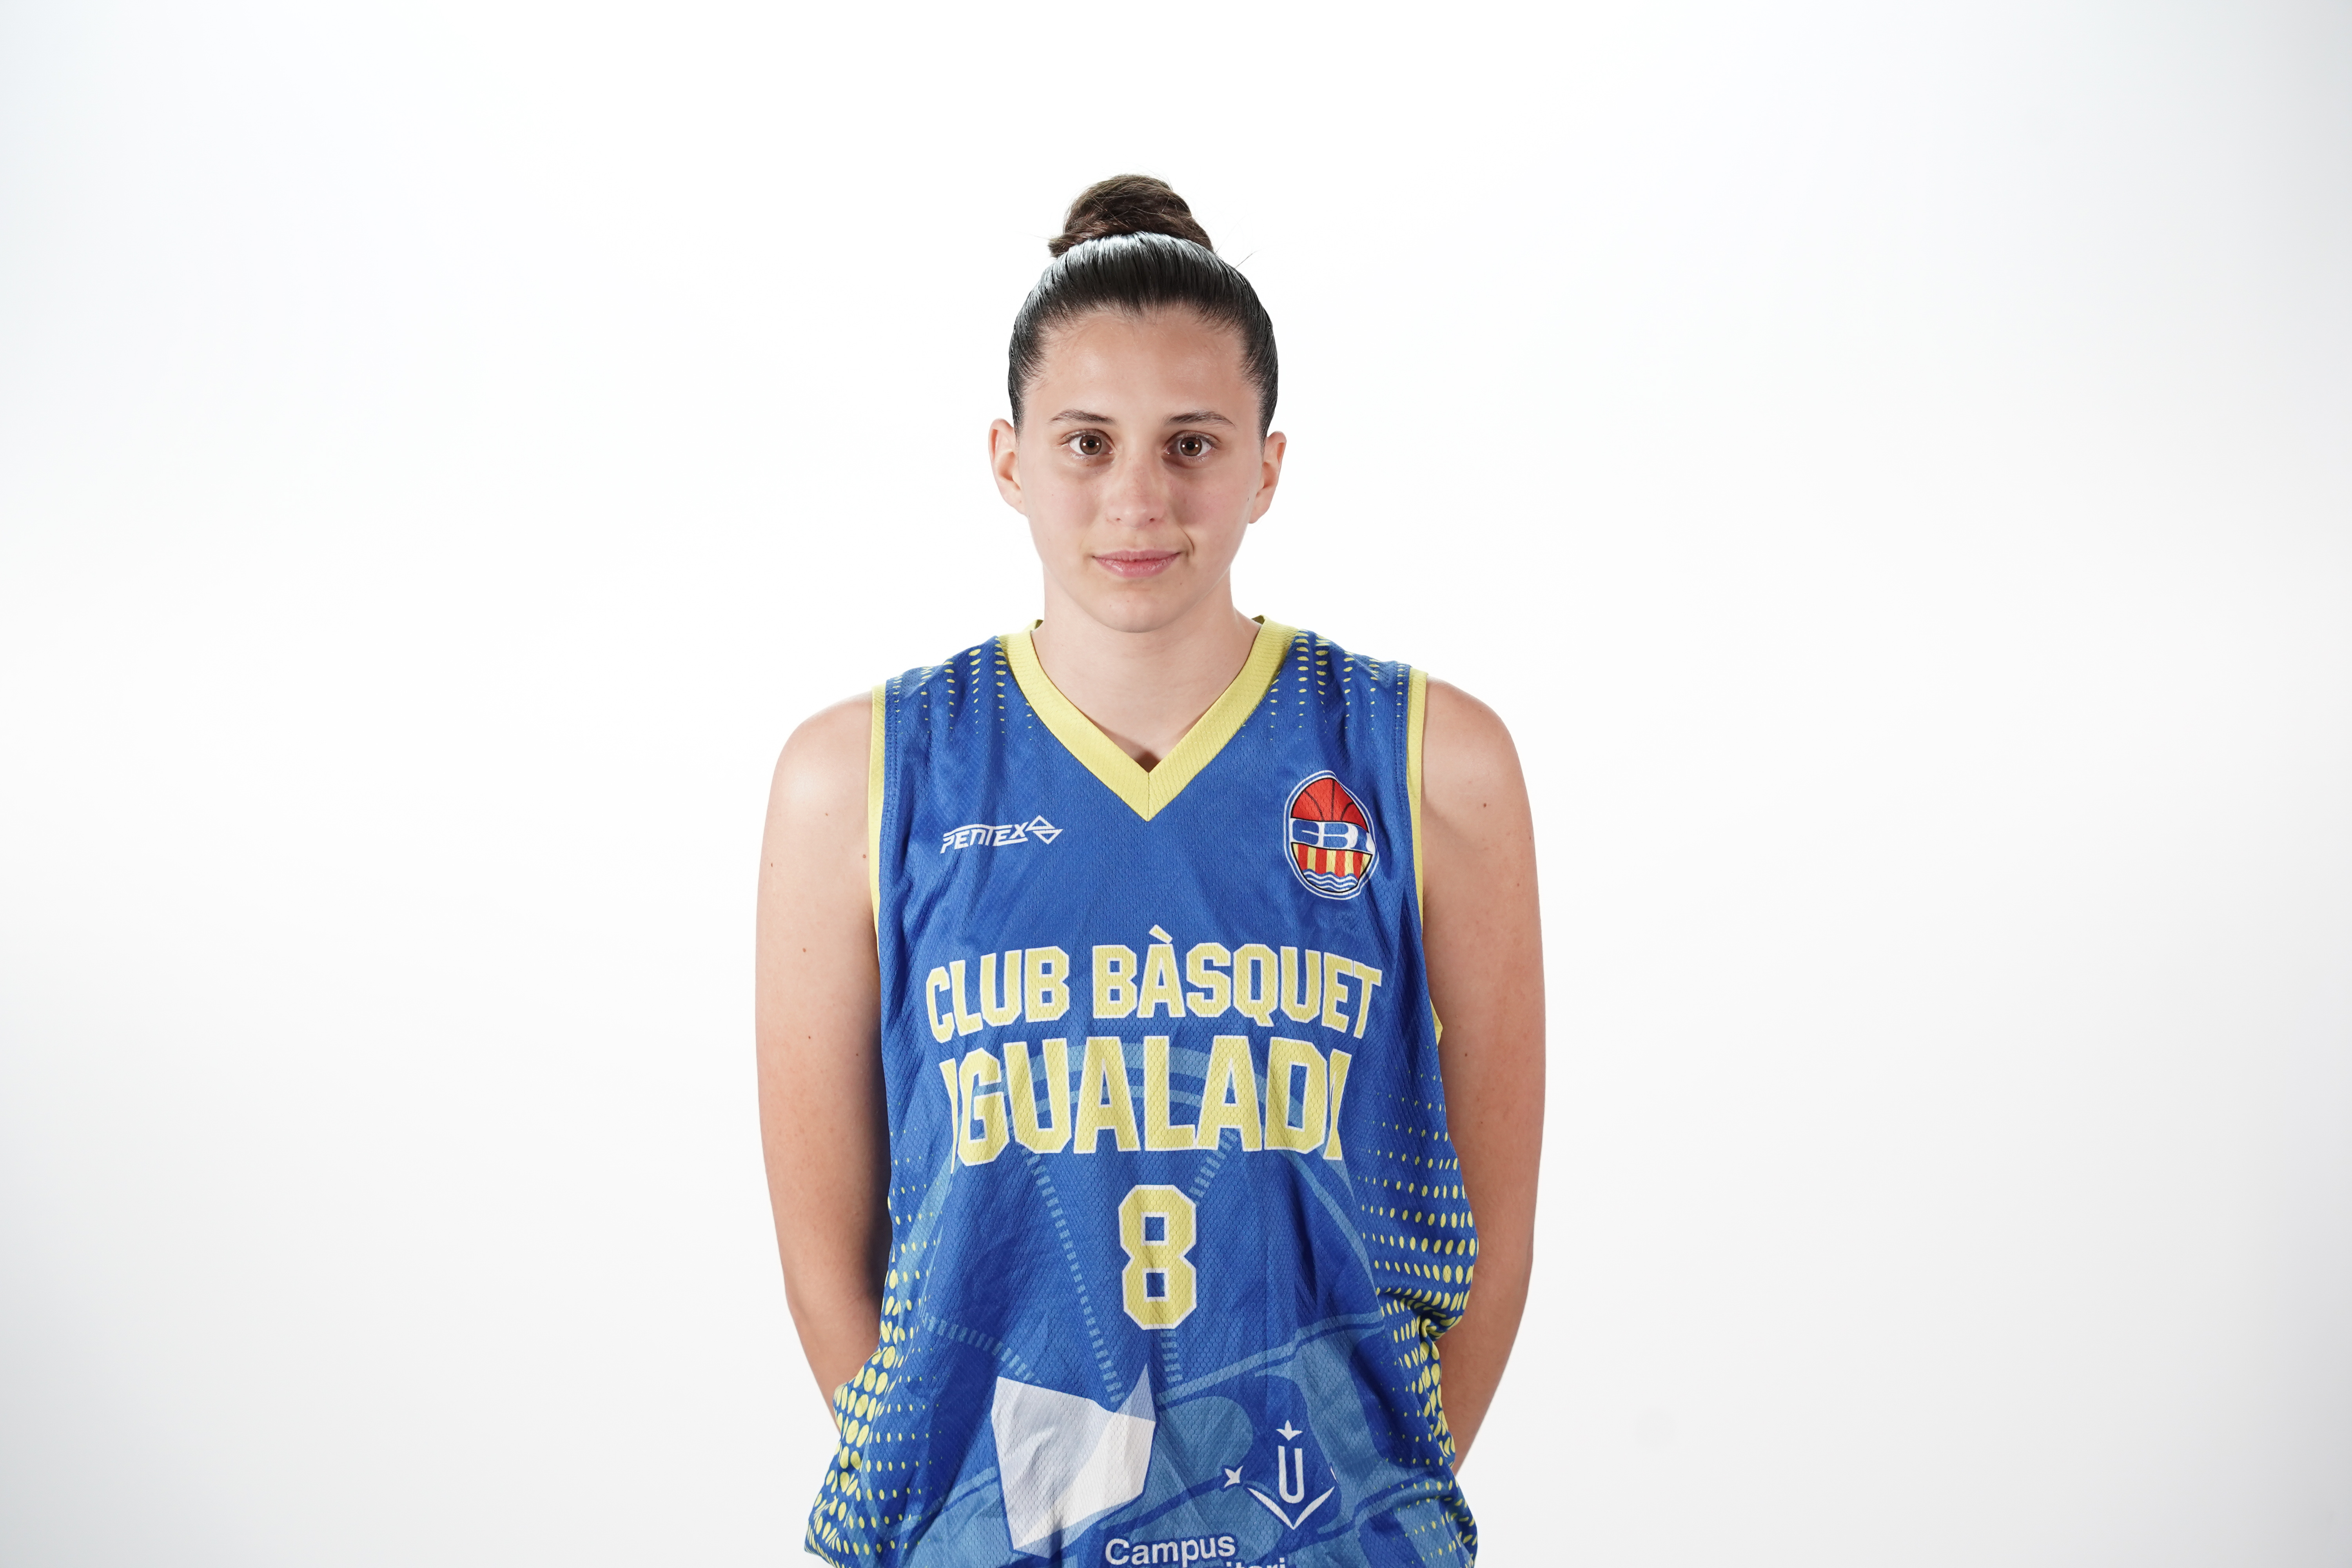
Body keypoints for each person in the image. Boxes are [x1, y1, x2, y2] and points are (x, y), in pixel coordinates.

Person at [756, 175, 1543, 1566]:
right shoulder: (861, 777)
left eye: (1191, 443)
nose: (1137, 497)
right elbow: (829, 1265)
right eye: (1087, 442)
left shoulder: (1429, 761)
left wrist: (1355, 1506)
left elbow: (1489, 1234)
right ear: (1009, 461)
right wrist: (967, 1512)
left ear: (1267, 467)